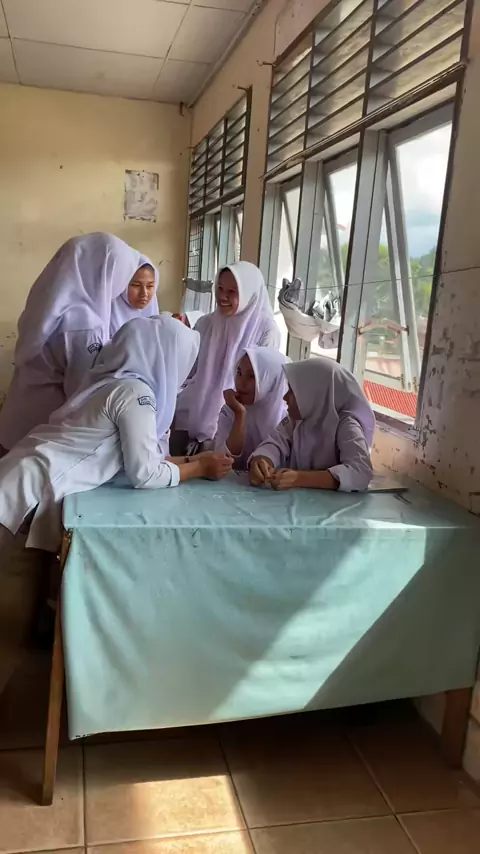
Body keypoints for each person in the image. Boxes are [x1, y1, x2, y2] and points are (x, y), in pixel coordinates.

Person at [0, 315, 233, 556]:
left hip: (21, 477)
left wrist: (194, 460)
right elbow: (145, 474)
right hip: (23, 494)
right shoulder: (135, 394)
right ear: (166, 357)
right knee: (16, 576)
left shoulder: (113, 382)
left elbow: (140, 459)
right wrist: (200, 468)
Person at [0, 233, 158, 453]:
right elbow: (84, 391)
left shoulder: (53, 305)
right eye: (121, 275)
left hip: (17, 419)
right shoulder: (84, 325)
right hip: (38, 435)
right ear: (103, 273)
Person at [175, 262, 280, 444]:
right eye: (220, 288)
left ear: (248, 293)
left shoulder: (266, 330)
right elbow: (189, 370)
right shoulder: (206, 323)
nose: (222, 297)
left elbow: (263, 384)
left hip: (238, 421)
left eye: (232, 292)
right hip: (193, 414)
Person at [249, 357, 375, 492]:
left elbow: (361, 471)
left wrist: (300, 478)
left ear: (313, 394)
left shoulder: (347, 425)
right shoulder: (296, 420)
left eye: (292, 391)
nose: (285, 398)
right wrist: (262, 460)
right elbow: (275, 443)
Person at [214, 347, 289, 470]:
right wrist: (240, 415)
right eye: (239, 372)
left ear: (271, 381)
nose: (241, 383)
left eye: (251, 376)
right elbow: (223, 462)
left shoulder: (287, 421)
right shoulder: (230, 411)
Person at [109, 261, 159, 336]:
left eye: (149, 286)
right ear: (123, 284)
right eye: (136, 285)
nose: (144, 293)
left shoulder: (154, 317)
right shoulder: (108, 315)